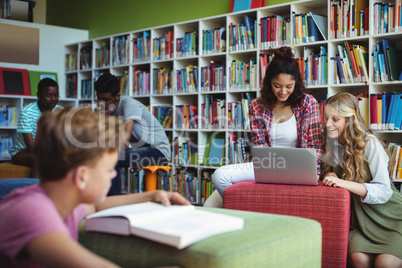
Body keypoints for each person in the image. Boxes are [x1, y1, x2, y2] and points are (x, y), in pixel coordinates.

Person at [0, 107, 190, 268]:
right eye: (109, 169)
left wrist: (152, 196)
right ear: (82, 176)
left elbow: (97, 206)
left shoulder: (61, 201)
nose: (114, 174)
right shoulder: (31, 212)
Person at [206, 46, 321, 206]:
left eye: (289, 86)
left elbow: (314, 145)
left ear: (296, 83)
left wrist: (313, 173)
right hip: (266, 165)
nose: (282, 91)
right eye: (277, 85)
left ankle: (247, 207)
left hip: (296, 170)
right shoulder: (257, 105)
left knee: (217, 192)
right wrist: (267, 171)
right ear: (269, 82)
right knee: (216, 184)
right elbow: (259, 146)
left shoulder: (308, 103)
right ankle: (248, 207)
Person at [320, 92, 402, 268]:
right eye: (327, 118)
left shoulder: (370, 143)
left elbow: (384, 191)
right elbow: (328, 176)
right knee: (358, 259)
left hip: (391, 217)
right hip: (361, 221)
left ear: (349, 119)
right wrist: (330, 176)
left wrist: (343, 183)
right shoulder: (332, 144)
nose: (328, 124)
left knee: (385, 263)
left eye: (335, 119)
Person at [94, 73, 171, 195]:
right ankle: (100, 198)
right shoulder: (108, 109)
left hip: (159, 151)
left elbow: (124, 142)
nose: (102, 104)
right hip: (143, 149)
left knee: (114, 158)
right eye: (99, 99)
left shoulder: (129, 105)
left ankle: (113, 202)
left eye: (106, 100)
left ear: (118, 96)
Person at [10, 78, 62, 177]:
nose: (53, 99)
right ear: (39, 95)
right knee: (39, 158)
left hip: (49, 150)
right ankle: (35, 191)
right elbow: (32, 149)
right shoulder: (27, 112)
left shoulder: (60, 111)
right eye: (48, 95)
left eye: (56, 95)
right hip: (23, 151)